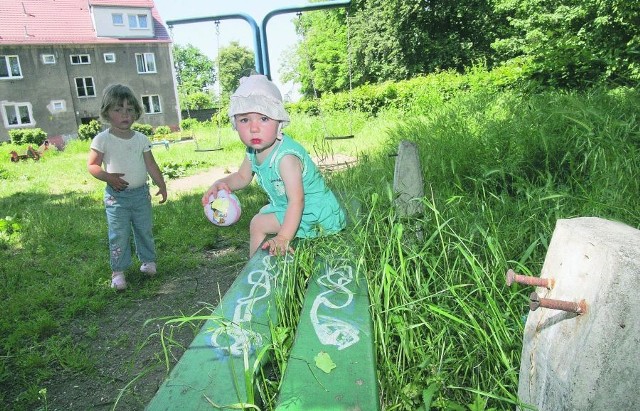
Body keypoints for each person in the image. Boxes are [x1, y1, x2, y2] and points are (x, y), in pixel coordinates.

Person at [202, 74, 346, 257]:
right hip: (291, 206)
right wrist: (221, 183)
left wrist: (283, 237)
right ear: (235, 123)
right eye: (245, 120)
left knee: (258, 223)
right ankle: (268, 263)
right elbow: (242, 177)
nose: (254, 128)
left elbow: (297, 201)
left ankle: (257, 272)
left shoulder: (286, 158)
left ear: (279, 122)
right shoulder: (252, 151)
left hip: (314, 213)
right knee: (264, 212)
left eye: (264, 119)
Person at [87, 84, 167, 290]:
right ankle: (118, 272)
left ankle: (148, 262)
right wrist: (108, 177)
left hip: (141, 195)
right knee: (119, 234)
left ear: (136, 113)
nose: (125, 114)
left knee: (144, 230)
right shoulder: (103, 139)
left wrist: (162, 184)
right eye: (118, 110)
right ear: (107, 113)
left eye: (129, 110)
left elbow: (151, 164)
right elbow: (92, 166)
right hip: (117, 197)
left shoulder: (141, 139)